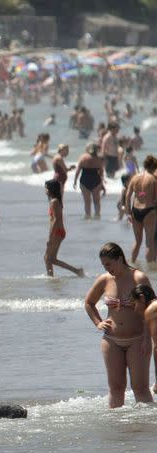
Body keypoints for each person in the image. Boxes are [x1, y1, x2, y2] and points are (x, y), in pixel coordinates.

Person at [84, 243, 153, 408]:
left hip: (137, 340)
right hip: (111, 340)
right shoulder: (105, 280)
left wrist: (146, 338)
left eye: (108, 264)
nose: (107, 268)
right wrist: (98, 322)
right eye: (103, 265)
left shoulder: (139, 278)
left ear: (120, 259)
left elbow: (152, 308)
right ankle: (117, 429)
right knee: (116, 388)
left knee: (140, 388)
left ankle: (147, 428)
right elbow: (89, 302)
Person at [44, 180, 83, 277]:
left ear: (50, 189)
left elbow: (55, 220)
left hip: (57, 232)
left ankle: (51, 277)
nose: (45, 190)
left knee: (48, 258)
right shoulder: (56, 200)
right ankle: (76, 271)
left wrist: (49, 238)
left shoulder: (54, 202)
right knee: (50, 259)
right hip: (58, 232)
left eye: (46, 187)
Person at [124, 155, 157, 264]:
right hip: (149, 211)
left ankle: (131, 264)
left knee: (138, 242)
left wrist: (128, 212)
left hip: (135, 211)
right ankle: (151, 269)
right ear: (153, 167)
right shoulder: (153, 179)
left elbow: (128, 196)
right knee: (149, 242)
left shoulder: (135, 177)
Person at [73, 143, 106, 219]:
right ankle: (97, 215)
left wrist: (75, 181)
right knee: (96, 201)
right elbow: (101, 172)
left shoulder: (83, 158)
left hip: (85, 180)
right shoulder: (99, 159)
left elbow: (78, 170)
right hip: (95, 180)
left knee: (87, 201)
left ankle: (88, 216)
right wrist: (102, 183)